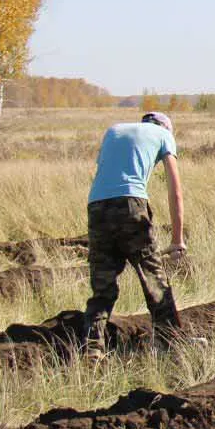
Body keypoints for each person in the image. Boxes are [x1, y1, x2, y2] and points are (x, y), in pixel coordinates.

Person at [83, 110, 185, 357]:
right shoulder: (163, 134)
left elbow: (106, 172)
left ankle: (92, 349)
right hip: (131, 204)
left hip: (96, 205)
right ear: (166, 128)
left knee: (103, 286)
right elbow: (176, 190)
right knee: (154, 279)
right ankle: (170, 345)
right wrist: (177, 239)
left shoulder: (114, 131)